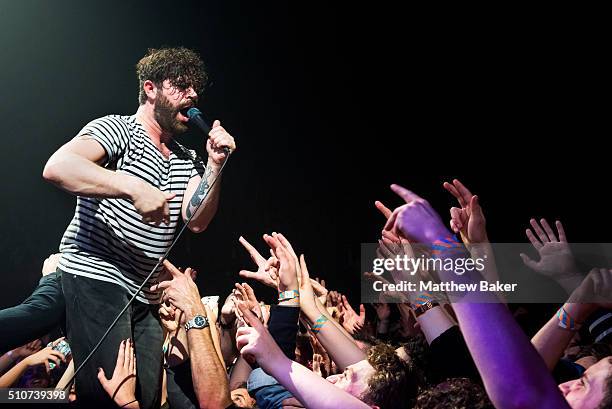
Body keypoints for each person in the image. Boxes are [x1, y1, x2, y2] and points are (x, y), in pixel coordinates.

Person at [42, 47, 236, 408]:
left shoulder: (186, 158)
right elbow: (58, 166)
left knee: (143, 398)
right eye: (181, 86)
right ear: (150, 88)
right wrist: (133, 186)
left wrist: (214, 165)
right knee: (108, 394)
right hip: (97, 276)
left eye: (196, 89)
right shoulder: (118, 130)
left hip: (144, 295)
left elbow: (197, 221)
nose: (193, 95)